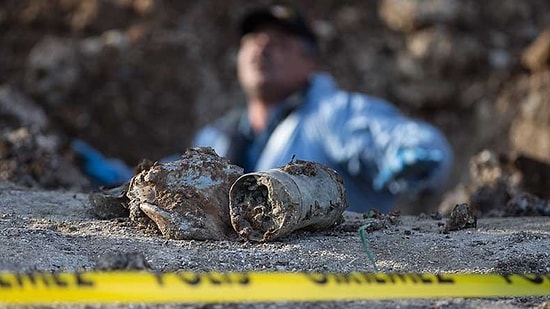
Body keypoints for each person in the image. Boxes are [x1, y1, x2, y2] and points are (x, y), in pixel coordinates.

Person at [74, 4, 453, 213]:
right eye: (253, 41)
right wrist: (125, 179)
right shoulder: (223, 135)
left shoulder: (332, 114)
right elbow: (181, 175)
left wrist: (418, 152)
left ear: (311, 63)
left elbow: (386, 133)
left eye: (280, 43)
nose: (261, 49)